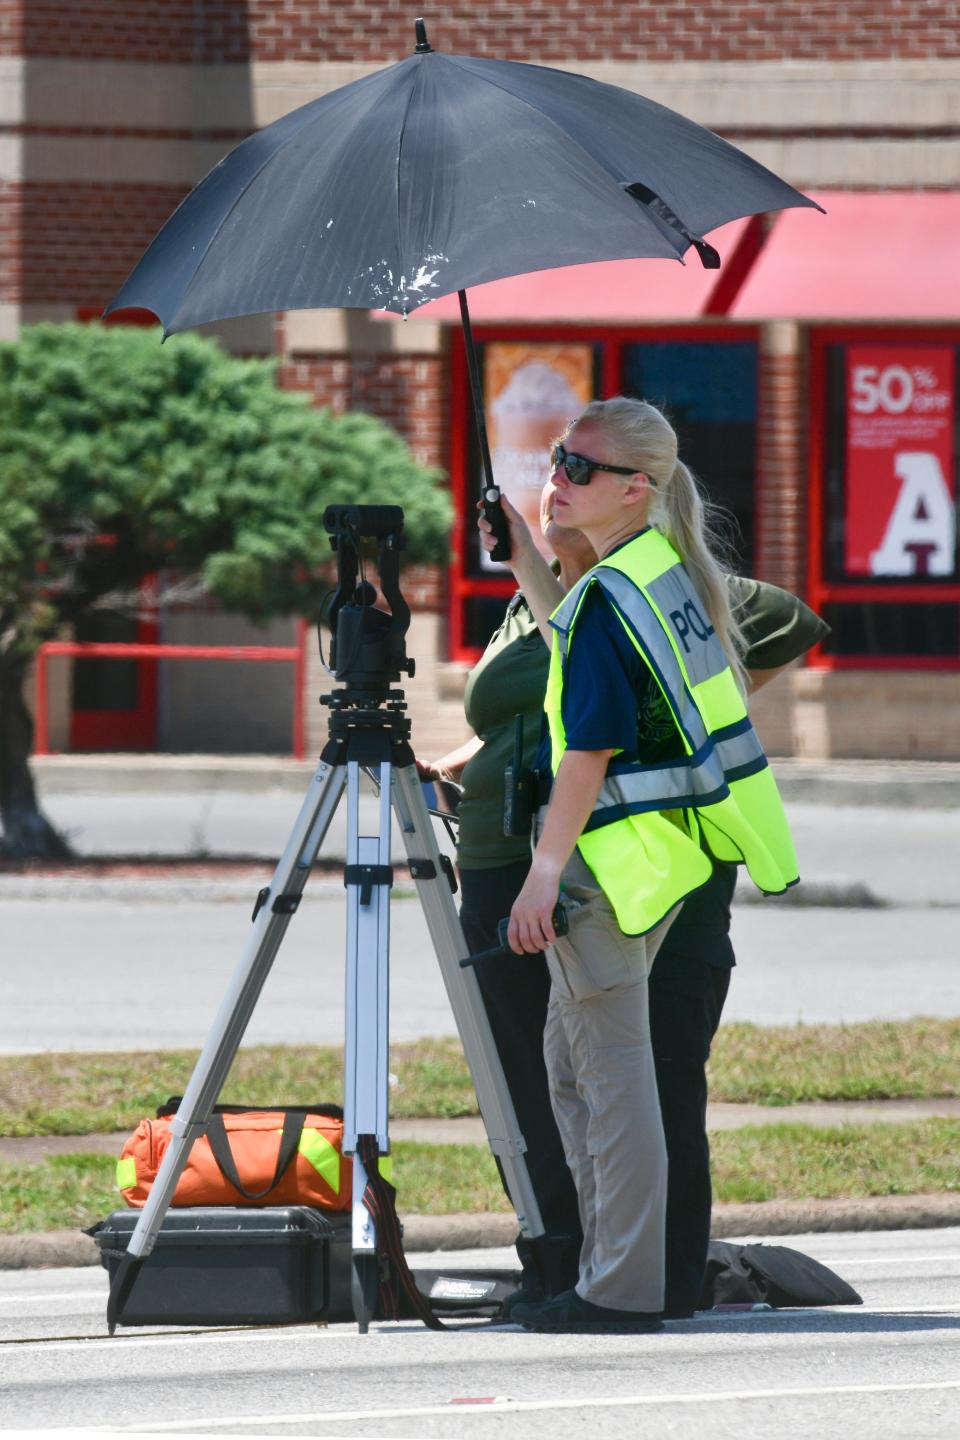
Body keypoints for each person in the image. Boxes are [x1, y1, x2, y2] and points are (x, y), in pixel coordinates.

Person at [429, 396, 801, 1334]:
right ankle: (612, 1274)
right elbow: (589, 661)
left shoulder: (609, 595)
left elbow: (586, 747)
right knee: (582, 1070)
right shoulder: (663, 573)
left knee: (611, 1079)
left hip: (611, 865)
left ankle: (618, 1289)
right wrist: (527, 557)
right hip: (667, 861)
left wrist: (543, 877)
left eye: (582, 469)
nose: (559, 476)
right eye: (557, 458)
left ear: (637, 489)